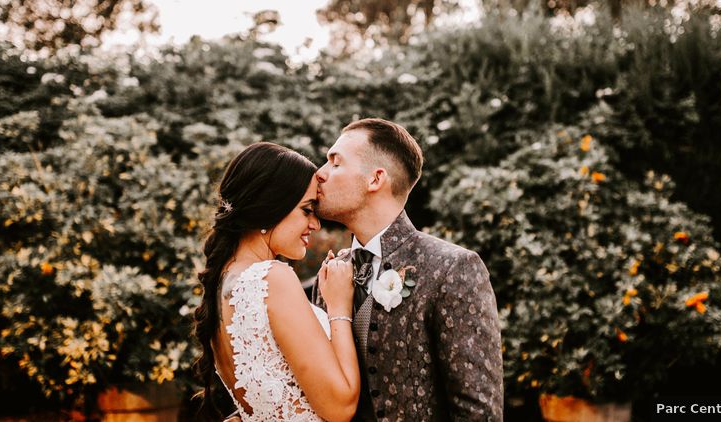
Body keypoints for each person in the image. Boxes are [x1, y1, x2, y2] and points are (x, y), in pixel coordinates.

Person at [313, 118, 504, 421]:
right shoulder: (330, 274)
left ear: (375, 180)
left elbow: (478, 412)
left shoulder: (451, 268)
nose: (319, 175)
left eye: (335, 164)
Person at [193, 142, 361, 422]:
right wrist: (338, 308)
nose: (315, 224)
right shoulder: (272, 278)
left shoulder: (224, 284)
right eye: (307, 210)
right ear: (269, 209)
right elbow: (340, 408)